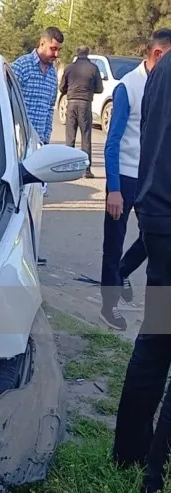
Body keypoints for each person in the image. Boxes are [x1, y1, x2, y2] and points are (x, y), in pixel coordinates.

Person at [112, 28, 171, 493]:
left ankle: (130, 452)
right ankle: (153, 468)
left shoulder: (161, 69)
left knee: (156, 338)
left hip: (157, 218)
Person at [99, 29, 171, 332]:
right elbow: (112, 142)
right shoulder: (128, 87)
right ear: (158, 54)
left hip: (147, 179)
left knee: (152, 235)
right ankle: (109, 306)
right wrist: (114, 189)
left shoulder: (163, 84)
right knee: (113, 244)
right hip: (124, 178)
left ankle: (123, 271)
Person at [12, 27, 64, 266]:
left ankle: (31, 250)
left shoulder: (52, 74)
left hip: (39, 147)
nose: (56, 54)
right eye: (53, 48)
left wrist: (46, 138)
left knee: (35, 202)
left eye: (58, 50)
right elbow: (8, 102)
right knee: (15, 201)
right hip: (17, 145)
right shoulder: (21, 67)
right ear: (41, 43)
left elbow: (49, 108)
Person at [59, 46, 103, 178]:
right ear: (88, 53)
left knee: (70, 137)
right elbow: (100, 88)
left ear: (77, 53)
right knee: (86, 137)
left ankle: (68, 168)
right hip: (85, 104)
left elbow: (62, 88)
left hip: (71, 103)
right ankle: (86, 170)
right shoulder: (93, 68)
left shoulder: (69, 68)